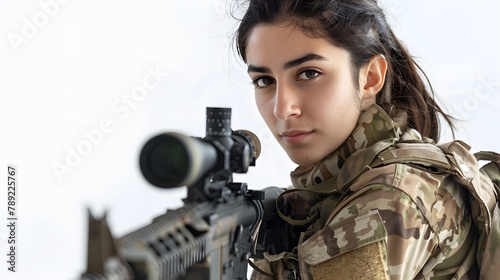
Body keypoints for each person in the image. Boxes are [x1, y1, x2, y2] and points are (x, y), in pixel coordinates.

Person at [232, 0, 497, 279]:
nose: (282, 109)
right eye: (264, 80)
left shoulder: (390, 199)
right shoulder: (335, 187)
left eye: (309, 74)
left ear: (370, 78)